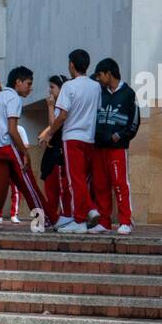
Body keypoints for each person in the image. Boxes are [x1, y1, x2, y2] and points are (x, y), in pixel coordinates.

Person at [38, 49, 102, 232]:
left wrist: (50, 132)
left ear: (71, 64)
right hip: (89, 138)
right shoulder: (95, 86)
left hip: (72, 137)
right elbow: (96, 110)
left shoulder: (69, 86)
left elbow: (62, 115)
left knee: (75, 180)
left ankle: (81, 219)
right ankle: (88, 210)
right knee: (81, 179)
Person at [0, 66, 54, 232]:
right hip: (8, 147)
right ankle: (44, 220)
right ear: (18, 82)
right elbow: (12, 129)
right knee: (29, 185)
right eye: (28, 84)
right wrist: (25, 152)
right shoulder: (14, 99)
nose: (30, 88)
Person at [92, 58, 140, 234]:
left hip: (117, 148)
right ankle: (104, 222)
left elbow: (134, 121)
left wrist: (119, 136)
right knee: (100, 184)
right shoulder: (100, 93)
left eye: (100, 75)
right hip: (98, 147)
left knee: (120, 184)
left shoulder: (128, 93)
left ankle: (125, 221)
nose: (98, 79)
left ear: (108, 74)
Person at [39, 74, 72, 227]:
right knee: (51, 188)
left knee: (61, 188)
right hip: (52, 155)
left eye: (52, 87)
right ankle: (51, 217)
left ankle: (63, 217)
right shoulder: (60, 107)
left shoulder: (63, 107)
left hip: (59, 154)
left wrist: (50, 107)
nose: (50, 91)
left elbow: (54, 126)